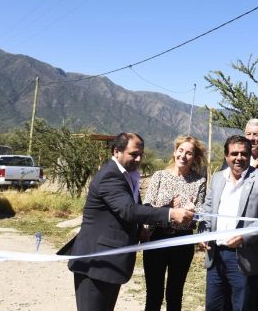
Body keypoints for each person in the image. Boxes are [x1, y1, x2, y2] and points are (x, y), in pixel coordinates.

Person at [67, 133, 195, 311]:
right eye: (133, 154)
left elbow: (133, 209)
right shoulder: (110, 176)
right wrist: (170, 213)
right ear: (116, 151)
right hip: (96, 262)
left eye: (141, 154)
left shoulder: (128, 175)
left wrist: (140, 229)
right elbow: (128, 210)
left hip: (109, 262)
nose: (139, 159)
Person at [199, 135, 258, 311]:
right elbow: (207, 211)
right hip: (215, 255)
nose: (239, 158)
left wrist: (243, 236)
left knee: (242, 306)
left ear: (250, 155)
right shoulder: (217, 178)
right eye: (234, 153)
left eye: (244, 154)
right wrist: (203, 234)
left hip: (243, 257)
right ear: (226, 156)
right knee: (214, 306)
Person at [142, 135, 208, 311]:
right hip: (157, 238)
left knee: (175, 293)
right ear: (174, 152)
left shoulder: (199, 181)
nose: (183, 156)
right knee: (154, 293)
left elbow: (201, 212)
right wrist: (169, 208)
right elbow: (147, 209)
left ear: (195, 157)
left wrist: (192, 211)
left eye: (189, 153)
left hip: (183, 241)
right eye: (181, 150)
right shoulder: (159, 176)